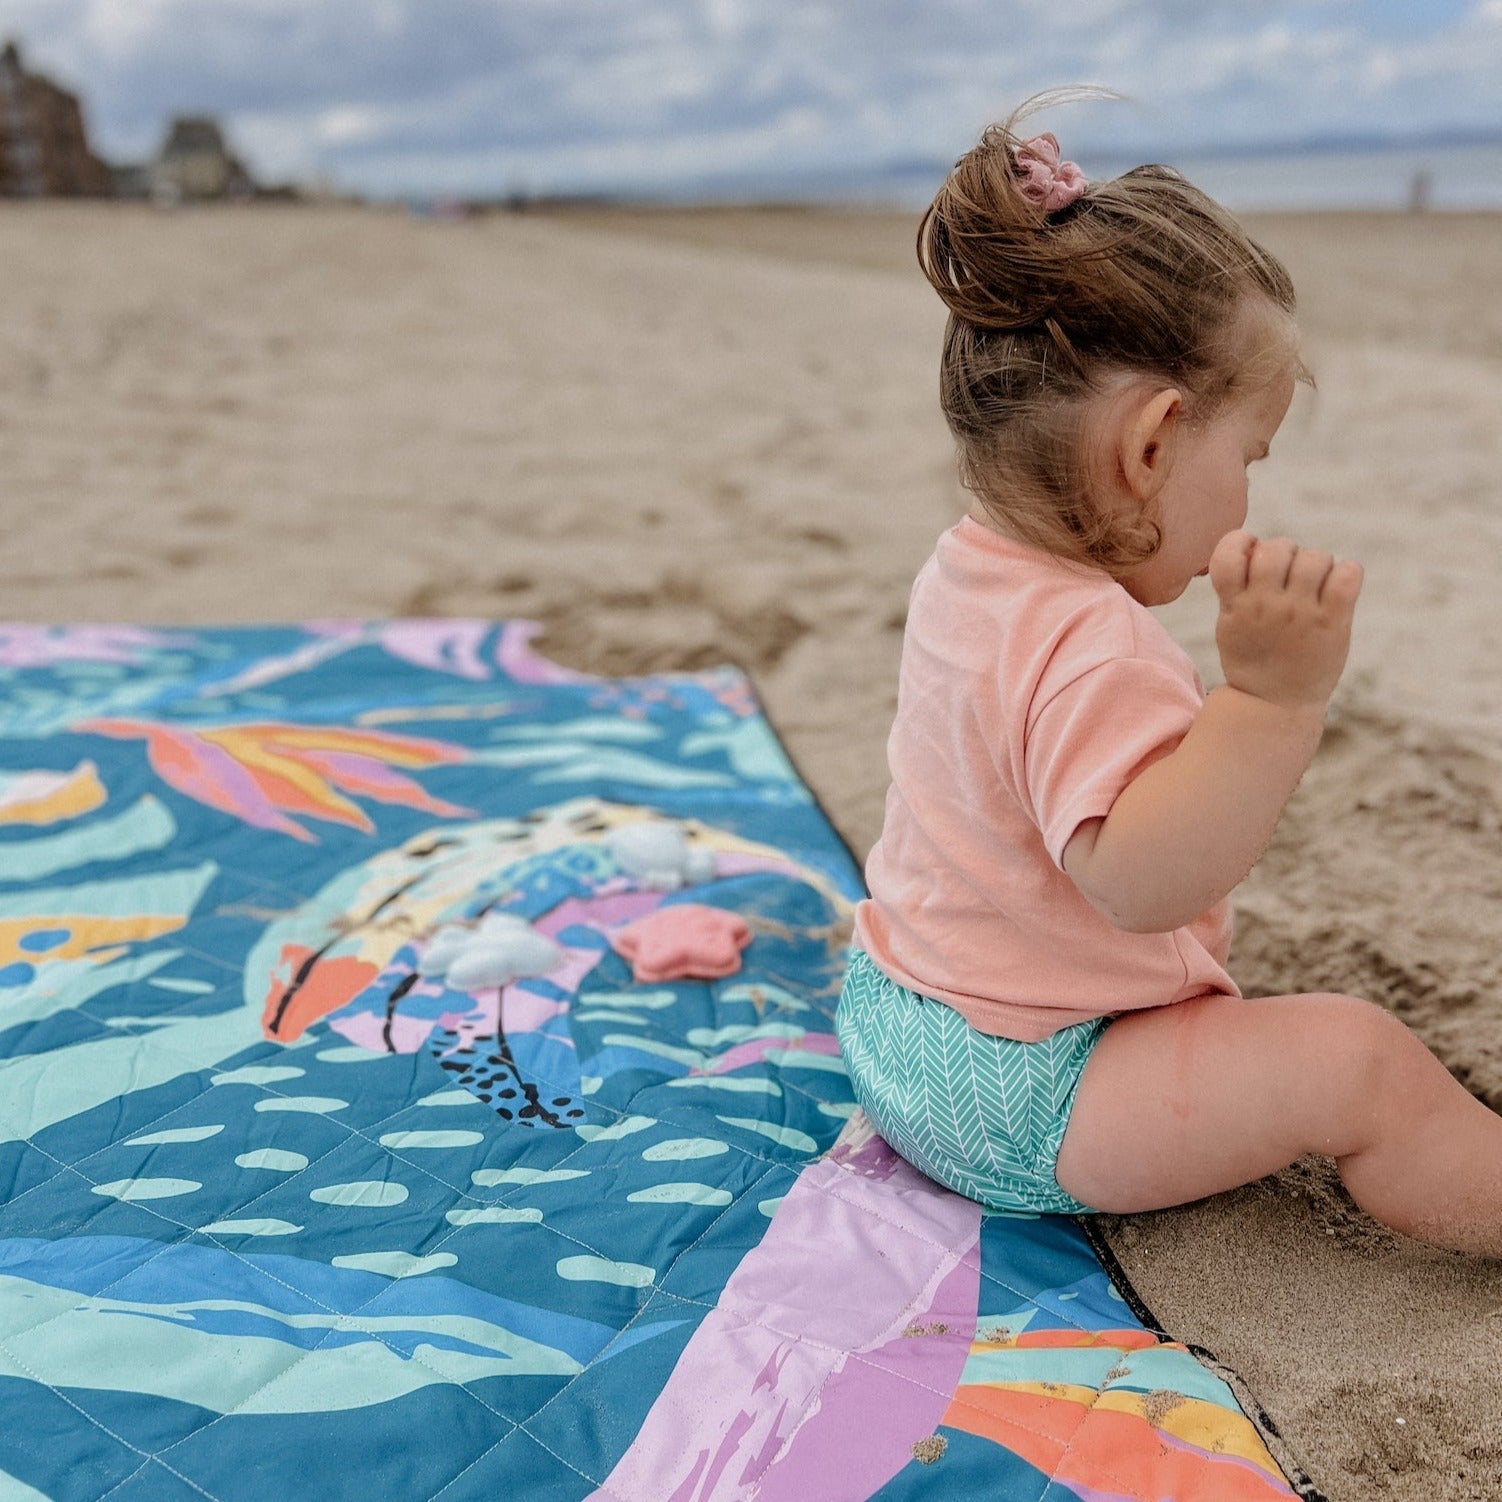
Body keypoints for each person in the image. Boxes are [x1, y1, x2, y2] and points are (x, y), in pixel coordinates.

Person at [836, 100, 1502, 1257]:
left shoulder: (967, 566)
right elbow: (1138, 882)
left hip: (899, 1023)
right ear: (1149, 446)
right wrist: (1270, 699)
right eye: (1244, 456)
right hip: (1022, 1088)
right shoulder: (1093, 637)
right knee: (1359, 1061)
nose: (1247, 493)